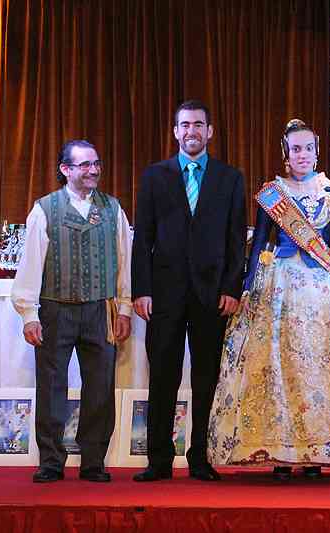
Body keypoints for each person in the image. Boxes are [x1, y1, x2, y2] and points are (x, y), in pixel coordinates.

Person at [207, 119, 330, 480]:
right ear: (286, 154)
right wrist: (247, 287)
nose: (302, 154)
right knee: (280, 366)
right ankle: (280, 452)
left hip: (325, 289)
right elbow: (259, 243)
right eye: (295, 149)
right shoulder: (273, 194)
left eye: (308, 148)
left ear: (317, 152)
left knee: (320, 368)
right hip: (280, 288)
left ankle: (317, 452)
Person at [131, 100, 246, 482]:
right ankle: (159, 460)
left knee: (206, 378)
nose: (191, 131)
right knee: (162, 376)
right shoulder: (155, 176)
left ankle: (201, 458)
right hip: (163, 295)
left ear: (209, 131)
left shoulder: (230, 178)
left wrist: (232, 288)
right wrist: (142, 290)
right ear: (175, 131)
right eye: (184, 125)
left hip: (212, 295)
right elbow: (142, 239)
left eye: (198, 124)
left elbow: (236, 240)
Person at [12, 139, 132, 483]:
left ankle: (93, 461)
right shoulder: (45, 209)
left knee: (100, 387)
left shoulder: (113, 209)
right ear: (65, 169)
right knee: (51, 386)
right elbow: (31, 264)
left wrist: (124, 308)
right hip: (55, 310)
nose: (93, 170)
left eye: (96, 164)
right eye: (85, 165)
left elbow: (125, 262)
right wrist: (29, 314)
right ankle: (51, 461)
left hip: (101, 310)